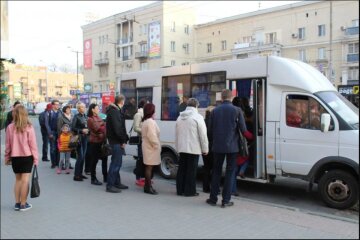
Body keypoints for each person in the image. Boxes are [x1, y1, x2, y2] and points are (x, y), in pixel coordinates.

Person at [206, 89, 249, 208]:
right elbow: (243, 130)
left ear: (222, 97)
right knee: (230, 173)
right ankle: (226, 201)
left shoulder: (214, 111)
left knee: (216, 172)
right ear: (231, 97)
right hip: (232, 147)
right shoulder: (237, 110)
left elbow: (209, 131)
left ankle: (213, 198)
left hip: (217, 146)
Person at [5, 105, 38, 211]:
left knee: (18, 180)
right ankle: (23, 204)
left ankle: (17, 203)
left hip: (15, 157)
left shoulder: (10, 127)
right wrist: (36, 158)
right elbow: (33, 144)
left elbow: (8, 144)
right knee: (25, 181)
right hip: (27, 157)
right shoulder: (29, 127)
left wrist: (7, 156)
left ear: (15, 114)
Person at [175, 98, 208, 197]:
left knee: (182, 169)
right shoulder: (198, 117)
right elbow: (203, 135)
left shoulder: (180, 117)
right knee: (191, 170)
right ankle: (189, 191)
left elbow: (176, 134)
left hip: (182, 148)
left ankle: (180, 190)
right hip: (194, 148)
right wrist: (205, 149)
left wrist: (177, 147)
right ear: (196, 106)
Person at [105, 95, 129, 193]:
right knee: (115, 164)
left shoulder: (115, 110)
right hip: (116, 142)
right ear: (122, 101)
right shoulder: (114, 112)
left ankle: (116, 182)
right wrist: (123, 141)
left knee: (117, 163)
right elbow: (118, 129)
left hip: (116, 141)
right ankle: (110, 185)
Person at [231, 97, 254, 196]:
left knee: (232, 171)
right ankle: (233, 189)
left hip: (229, 145)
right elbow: (244, 131)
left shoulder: (228, 112)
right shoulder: (239, 112)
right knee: (244, 159)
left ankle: (233, 189)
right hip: (238, 146)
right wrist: (253, 137)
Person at [141, 103, 161, 195]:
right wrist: (157, 145)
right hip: (151, 147)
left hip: (147, 146)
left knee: (148, 167)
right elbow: (152, 136)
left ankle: (147, 186)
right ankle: (148, 187)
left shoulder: (146, 121)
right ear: (152, 111)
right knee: (149, 167)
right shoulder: (150, 122)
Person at [87, 103, 108, 185]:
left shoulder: (99, 117)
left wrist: (103, 126)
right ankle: (93, 178)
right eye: (97, 108)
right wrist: (104, 126)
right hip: (95, 142)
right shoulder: (90, 119)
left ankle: (105, 177)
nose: (98, 109)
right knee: (94, 161)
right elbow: (97, 129)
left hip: (102, 141)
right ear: (92, 109)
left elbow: (103, 128)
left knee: (105, 160)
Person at [71, 102, 89, 182]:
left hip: (85, 138)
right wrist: (82, 130)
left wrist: (88, 130)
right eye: (82, 107)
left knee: (83, 157)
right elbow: (73, 128)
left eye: (84, 107)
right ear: (78, 109)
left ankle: (80, 173)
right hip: (79, 138)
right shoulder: (76, 116)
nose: (84, 108)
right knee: (80, 157)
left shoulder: (85, 116)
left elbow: (87, 126)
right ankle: (76, 175)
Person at [132, 98, 148, 187]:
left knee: (145, 159)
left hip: (145, 139)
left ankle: (143, 177)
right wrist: (145, 131)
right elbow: (136, 127)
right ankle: (138, 178)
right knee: (140, 159)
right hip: (141, 139)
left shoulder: (145, 114)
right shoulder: (138, 114)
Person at [202, 105, 215, 193]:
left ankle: (205, 187)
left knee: (206, 167)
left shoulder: (203, 121)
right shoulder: (215, 122)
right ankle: (213, 188)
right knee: (214, 168)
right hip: (213, 147)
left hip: (204, 148)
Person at [57, 105, 74, 169]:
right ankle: (62, 165)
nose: (69, 110)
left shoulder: (72, 116)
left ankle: (68, 164)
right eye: (67, 109)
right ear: (64, 110)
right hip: (63, 137)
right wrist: (59, 137)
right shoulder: (61, 117)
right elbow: (59, 128)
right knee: (63, 150)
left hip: (70, 136)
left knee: (69, 151)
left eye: (69, 109)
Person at [45, 99, 61, 168]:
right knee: (53, 148)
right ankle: (53, 163)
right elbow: (46, 124)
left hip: (59, 133)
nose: (58, 105)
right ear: (53, 105)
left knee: (59, 148)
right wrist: (49, 133)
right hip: (52, 132)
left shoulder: (60, 112)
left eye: (58, 104)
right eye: (57, 104)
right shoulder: (48, 112)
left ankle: (58, 162)